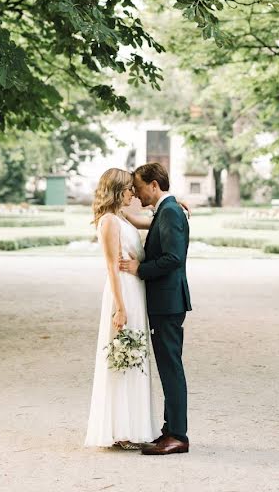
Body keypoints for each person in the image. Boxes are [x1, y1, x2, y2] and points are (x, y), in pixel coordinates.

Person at [84, 168, 160, 449]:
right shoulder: (108, 223)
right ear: (117, 191)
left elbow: (148, 223)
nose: (133, 193)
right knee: (122, 358)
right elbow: (112, 268)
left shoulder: (121, 215)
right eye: (129, 188)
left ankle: (134, 426)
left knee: (135, 357)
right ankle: (120, 430)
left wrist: (172, 203)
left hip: (135, 291)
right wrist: (120, 308)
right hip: (123, 293)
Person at [120, 162, 192, 456]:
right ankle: (170, 430)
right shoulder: (168, 210)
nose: (136, 194)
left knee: (171, 368)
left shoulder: (171, 211)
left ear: (153, 184)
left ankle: (177, 435)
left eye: (138, 187)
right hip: (166, 301)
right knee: (168, 366)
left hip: (168, 302)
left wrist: (140, 269)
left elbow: (174, 258)